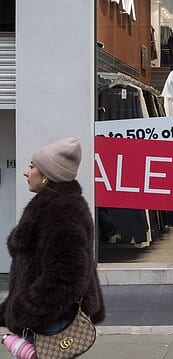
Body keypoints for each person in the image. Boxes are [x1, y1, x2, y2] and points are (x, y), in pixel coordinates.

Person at [0, 138, 105, 343]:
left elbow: (66, 276)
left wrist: (24, 309)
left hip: (49, 324)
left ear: (47, 175)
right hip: (45, 321)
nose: (26, 172)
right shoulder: (57, 207)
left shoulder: (62, 212)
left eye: (32, 167)